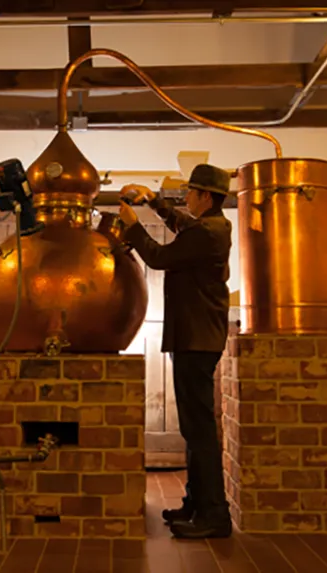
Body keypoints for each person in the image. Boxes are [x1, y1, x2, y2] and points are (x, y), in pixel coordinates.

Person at [117, 164, 233, 539]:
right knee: (194, 427)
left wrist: (133, 225)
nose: (187, 198)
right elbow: (182, 225)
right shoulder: (211, 226)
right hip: (196, 338)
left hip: (196, 340)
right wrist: (154, 202)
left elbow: (159, 258)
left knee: (198, 430)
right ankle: (196, 503)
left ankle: (215, 516)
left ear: (206, 197)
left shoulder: (208, 232)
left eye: (191, 193)